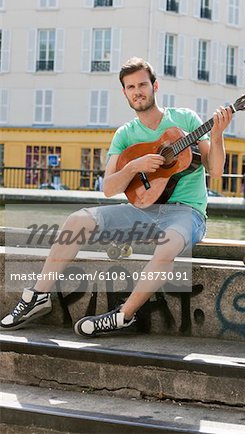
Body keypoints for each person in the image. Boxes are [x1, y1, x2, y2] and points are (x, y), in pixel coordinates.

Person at [0, 57, 232, 336]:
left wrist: (217, 135)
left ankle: (124, 315)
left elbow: (216, 171)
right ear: (124, 93)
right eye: (130, 86)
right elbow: (109, 187)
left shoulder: (185, 119)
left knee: (168, 245)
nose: (137, 91)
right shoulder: (125, 135)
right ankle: (39, 296)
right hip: (143, 210)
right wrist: (135, 165)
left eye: (142, 84)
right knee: (77, 220)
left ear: (155, 86)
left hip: (187, 213)